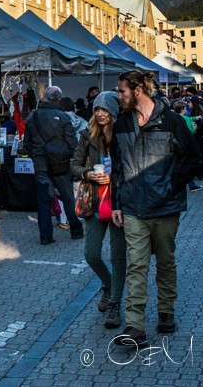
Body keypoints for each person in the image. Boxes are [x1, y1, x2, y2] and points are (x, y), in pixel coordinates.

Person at [110, 71, 202, 345]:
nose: (119, 96)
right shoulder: (121, 125)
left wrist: (169, 187)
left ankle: (165, 312)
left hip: (165, 208)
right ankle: (134, 326)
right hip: (133, 208)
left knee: (164, 262)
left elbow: (194, 160)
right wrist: (117, 203)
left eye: (122, 91)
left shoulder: (171, 122)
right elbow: (117, 167)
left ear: (138, 90)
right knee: (136, 265)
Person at [72, 91, 125, 329]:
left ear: (114, 112)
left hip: (118, 205)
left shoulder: (124, 135)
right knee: (91, 254)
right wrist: (87, 174)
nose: (101, 114)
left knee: (117, 256)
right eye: (97, 109)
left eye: (105, 110)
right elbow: (73, 165)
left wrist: (113, 178)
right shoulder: (86, 135)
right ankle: (108, 284)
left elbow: (132, 168)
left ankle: (114, 303)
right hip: (94, 203)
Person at [22, 86, 84, 245]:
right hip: (61, 164)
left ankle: (45, 236)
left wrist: (36, 157)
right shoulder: (63, 117)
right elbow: (72, 144)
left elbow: (26, 144)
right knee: (69, 198)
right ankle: (76, 230)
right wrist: (71, 159)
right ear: (58, 100)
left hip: (41, 165)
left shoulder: (32, 117)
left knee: (44, 201)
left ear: (45, 99)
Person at [172, 101, 202, 192]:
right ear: (182, 109)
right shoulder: (186, 119)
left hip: (176, 144)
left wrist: (195, 118)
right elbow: (190, 132)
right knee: (187, 165)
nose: (186, 110)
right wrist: (195, 129)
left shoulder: (173, 118)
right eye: (185, 109)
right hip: (186, 145)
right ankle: (192, 185)